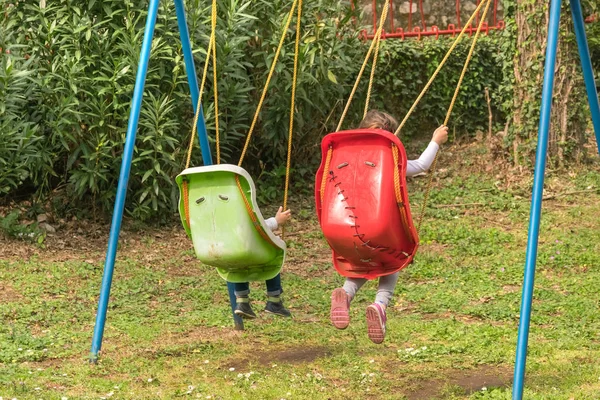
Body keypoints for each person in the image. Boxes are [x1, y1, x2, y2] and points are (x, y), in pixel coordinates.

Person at [330, 109, 449, 344]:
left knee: (361, 262)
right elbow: (423, 165)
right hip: (379, 229)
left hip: (341, 229)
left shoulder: (343, 154)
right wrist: (435, 141)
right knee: (393, 259)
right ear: (390, 137)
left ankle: (346, 293)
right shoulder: (390, 160)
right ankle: (380, 305)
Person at [234, 206, 292, 319]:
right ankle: (274, 301)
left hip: (221, 250)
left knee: (236, 261)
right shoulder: (237, 196)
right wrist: (276, 221)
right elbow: (252, 226)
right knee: (273, 248)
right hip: (247, 249)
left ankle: (242, 300)